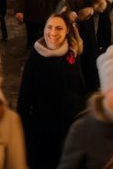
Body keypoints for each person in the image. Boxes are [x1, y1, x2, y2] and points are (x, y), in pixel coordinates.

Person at [18, 11, 87, 169]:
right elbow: (24, 99)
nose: (52, 32)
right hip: (41, 134)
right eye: (49, 27)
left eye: (58, 28)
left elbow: (80, 90)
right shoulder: (35, 56)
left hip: (68, 132)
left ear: (67, 31)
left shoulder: (72, 54)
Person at [60, 0, 107, 90]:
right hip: (75, 29)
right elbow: (60, 11)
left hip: (90, 26)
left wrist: (92, 9)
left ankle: (93, 84)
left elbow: (102, 4)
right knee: (78, 57)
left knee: (91, 52)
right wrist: (68, 14)